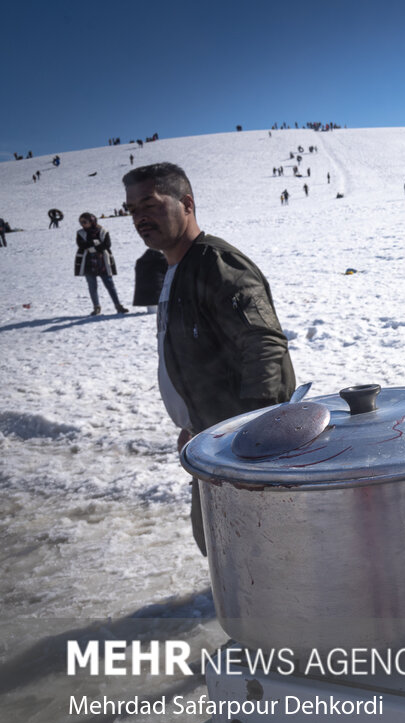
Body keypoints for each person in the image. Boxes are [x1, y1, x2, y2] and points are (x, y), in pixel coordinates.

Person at [122, 162, 295, 554]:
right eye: (132, 210)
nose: (140, 218)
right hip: (213, 439)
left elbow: (264, 346)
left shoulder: (217, 265)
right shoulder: (174, 267)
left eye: (149, 204)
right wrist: (195, 422)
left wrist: (256, 445)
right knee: (219, 545)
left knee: (255, 556)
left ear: (186, 203)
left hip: (241, 450)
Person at [75, 213, 128, 316]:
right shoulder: (80, 233)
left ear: (91, 221)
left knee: (110, 284)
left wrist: (93, 247)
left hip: (103, 262)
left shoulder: (103, 231)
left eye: (84, 222)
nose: (82, 224)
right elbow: (81, 245)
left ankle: (118, 305)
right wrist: (97, 244)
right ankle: (96, 307)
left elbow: (107, 244)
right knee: (92, 286)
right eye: (81, 222)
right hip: (88, 263)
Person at [133, 247, 167, 313]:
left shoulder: (141, 261)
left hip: (144, 291)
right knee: (155, 313)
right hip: (157, 291)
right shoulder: (161, 260)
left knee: (151, 309)